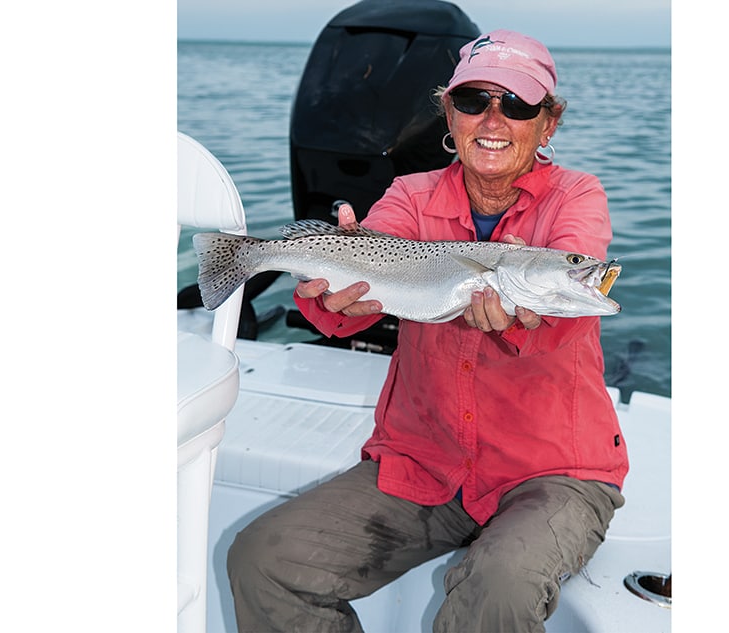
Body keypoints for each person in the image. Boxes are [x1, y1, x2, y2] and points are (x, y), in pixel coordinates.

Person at [227, 29, 629, 633]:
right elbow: (348, 302)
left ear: (548, 123)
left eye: (517, 105)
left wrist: (534, 296)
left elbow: (571, 267)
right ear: (449, 112)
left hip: (552, 472)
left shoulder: (577, 196)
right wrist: (329, 293)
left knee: (498, 588)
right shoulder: (409, 195)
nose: (494, 119)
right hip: (424, 462)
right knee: (264, 560)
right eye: (473, 101)